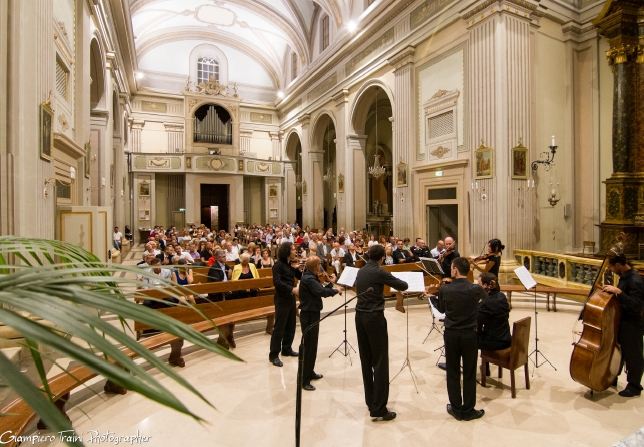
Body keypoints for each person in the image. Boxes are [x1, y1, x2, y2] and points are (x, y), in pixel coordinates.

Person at [355, 245, 408, 421]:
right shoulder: (379, 271)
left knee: (366, 360)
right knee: (379, 361)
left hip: (359, 318)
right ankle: (379, 408)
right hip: (374, 318)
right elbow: (403, 285)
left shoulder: (361, 270)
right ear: (382, 258)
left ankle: (371, 401)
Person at [437, 257, 486, 421]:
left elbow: (442, 309)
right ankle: (469, 409)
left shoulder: (445, 289)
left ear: (455, 270)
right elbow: (486, 302)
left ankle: (456, 408)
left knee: (452, 370)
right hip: (470, 334)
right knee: (470, 371)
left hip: (451, 333)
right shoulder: (476, 289)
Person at [602, 253, 644, 397]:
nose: (611, 269)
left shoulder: (635, 280)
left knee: (634, 355)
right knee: (619, 351)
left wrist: (619, 292)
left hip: (633, 323)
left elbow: (635, 305)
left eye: (611, 267)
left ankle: (634, 386)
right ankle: (614, 376)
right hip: (623, 320)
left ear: (618, 265)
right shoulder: (625, 277)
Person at [298, 256, 339, 391]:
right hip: (309, 314)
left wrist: (331, 284)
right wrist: (335, 290)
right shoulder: (309, 279)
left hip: (312, 312)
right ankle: (304, 380)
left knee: (313, 345)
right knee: (309, 346)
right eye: (320, 264)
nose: (321, 266)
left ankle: (310, 372)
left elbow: (319, 289)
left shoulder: (310, 276)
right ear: (316, 266)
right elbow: (322, 292)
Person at [269, 242, 302, 367]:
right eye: (293, 249)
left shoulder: (291, 265)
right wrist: (291, 289)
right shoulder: (278, 266)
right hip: (282, 298)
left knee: (291, 325)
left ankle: (286, 348)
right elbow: (277, 282)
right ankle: (273, 355)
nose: (295, 251)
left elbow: (301, 276)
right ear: (286, 251)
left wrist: (298, 268)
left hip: (290, 299)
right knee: (279, 327)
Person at [477, 272, 511, 376]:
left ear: (486, 286)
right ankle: (485, 367)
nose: (477, 286)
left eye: (479, 284)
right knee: (485, 332)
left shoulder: (486, 302)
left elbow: (477, 323)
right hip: (506, 339)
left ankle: (469, 370)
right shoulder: (502, 296)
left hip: (495, 343)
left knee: (467, 338)